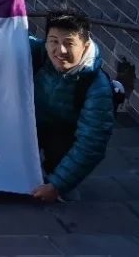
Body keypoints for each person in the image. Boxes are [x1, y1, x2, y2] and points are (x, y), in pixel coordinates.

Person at [30, 10, 115, 202]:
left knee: (60, 153)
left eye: (69, 43)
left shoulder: (97, 87)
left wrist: (57, 185)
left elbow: (91, 143)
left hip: (64, 135)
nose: (60, 50)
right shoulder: (41, 54)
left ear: (85, 46)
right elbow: (7, 36)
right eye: (54, 41)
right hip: (31, 125)